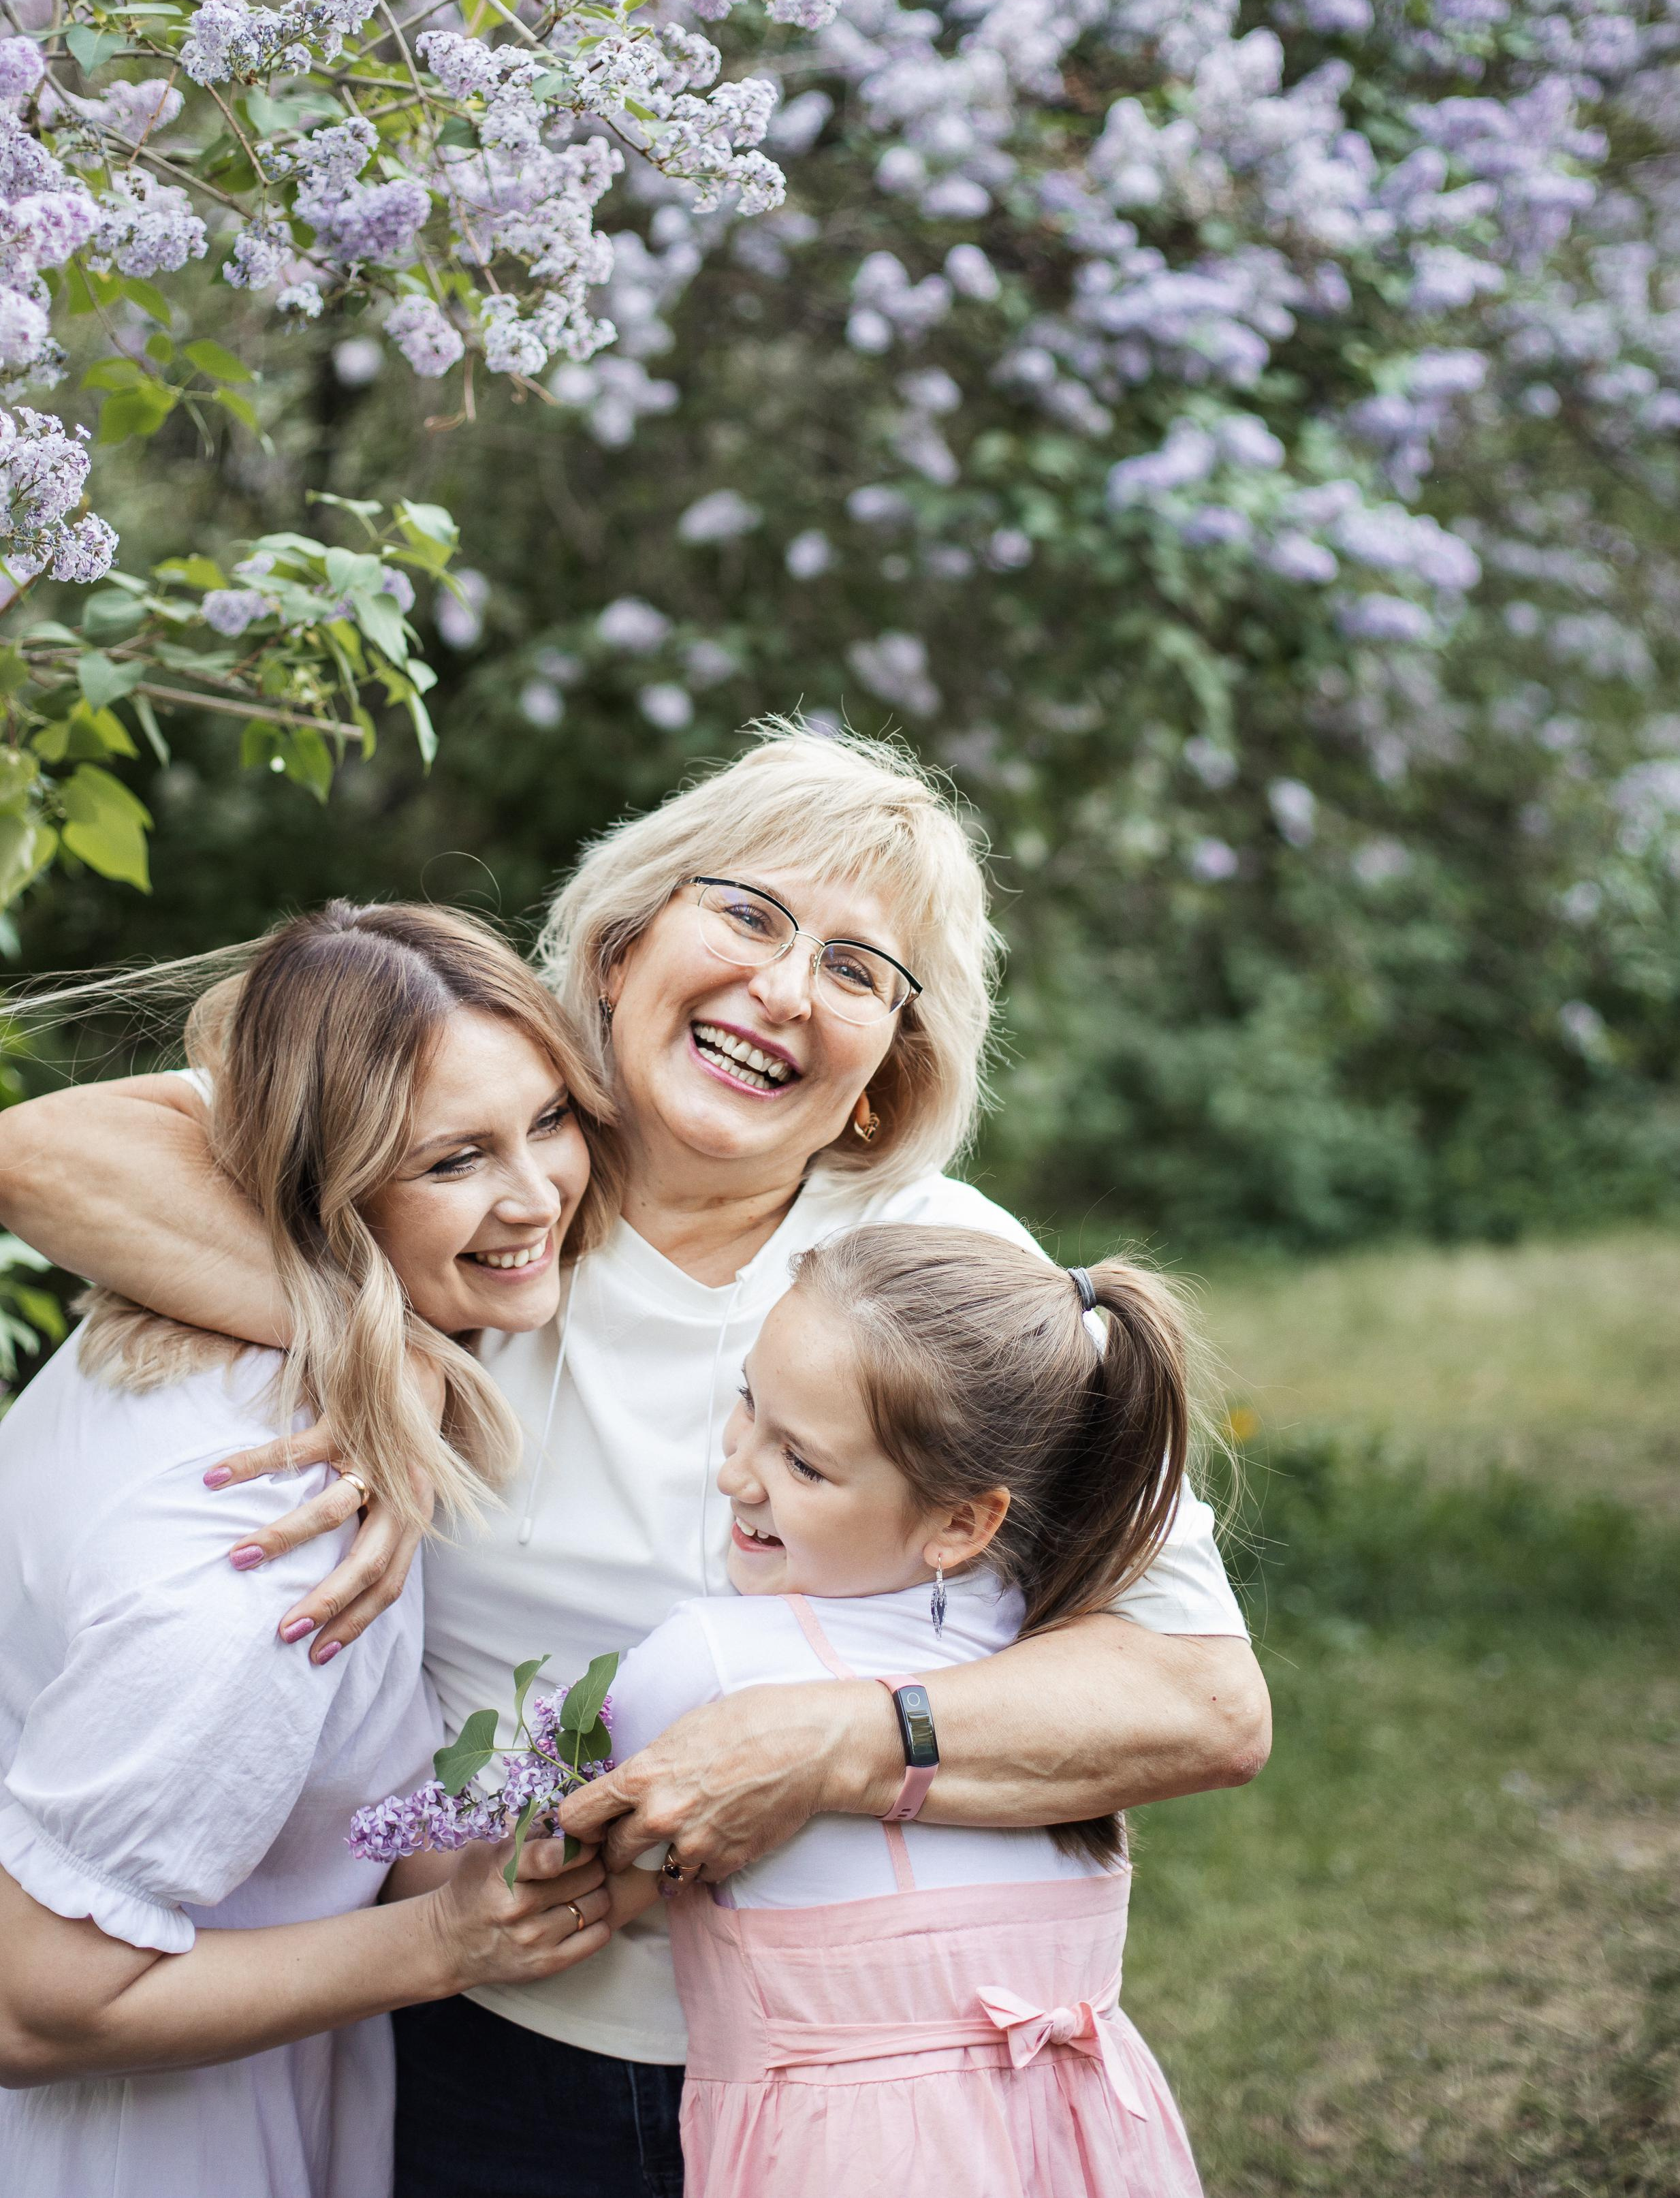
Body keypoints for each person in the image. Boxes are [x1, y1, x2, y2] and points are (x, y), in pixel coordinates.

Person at [0, 725, 1269, 2198]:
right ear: (615, 951)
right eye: (746, 912)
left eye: (860, 970)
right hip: (481, 2037)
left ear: (883, 1070)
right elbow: (46, 1153)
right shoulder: (479, 1190)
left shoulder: (936, 1270)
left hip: (862, 2058)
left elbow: (1197, 1699)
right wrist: (383, 1350)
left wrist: (839, 1738)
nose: (786, 987)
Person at [0, 903, 627, 2198]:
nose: (535, 1197)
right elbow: (32, 2006)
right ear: (313, 1181)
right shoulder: (277, 1557)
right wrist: (449, 1940)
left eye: (551, 1121)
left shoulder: (211, 1328)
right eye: (454, 1159)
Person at [575, 1223, 1209, 2197]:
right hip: (1097, 2142)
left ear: (962, 1521)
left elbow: (581, 1872)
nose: (736, 1471)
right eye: (749, 1404)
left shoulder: (706, 1664)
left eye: (803, 1464)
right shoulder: (1062, 1653)